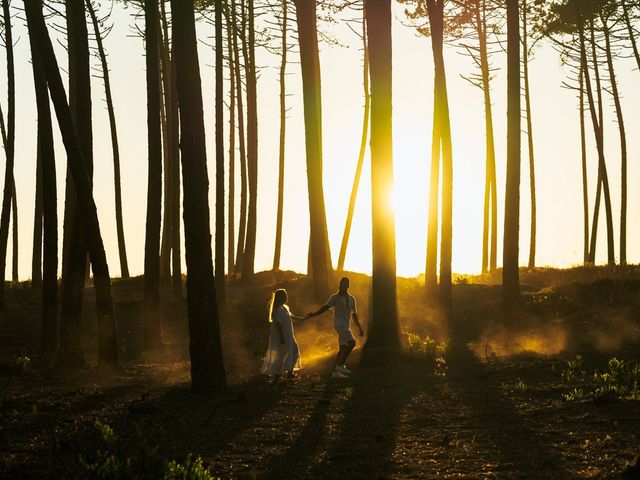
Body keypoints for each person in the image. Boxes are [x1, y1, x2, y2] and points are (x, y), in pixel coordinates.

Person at [306, 277, 364, 378]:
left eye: (345, 284)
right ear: (339, 284)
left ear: (348, 286)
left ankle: (335, 373)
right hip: (339, 325)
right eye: (341, 283)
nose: (342, 286)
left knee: (342, 348)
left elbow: (354, 314)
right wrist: (314, 314)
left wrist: (359, 328)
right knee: (352, 343)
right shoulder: (335, 297)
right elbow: (325, 307)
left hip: (346, 326)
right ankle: (340, 365)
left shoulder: (351, 299)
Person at [260, 289, 305, 377]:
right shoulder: (277, 310)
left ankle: (288, 372)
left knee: (294, 351)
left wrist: (304, 318)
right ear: (280, 297)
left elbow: (293, 317)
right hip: (283, 336)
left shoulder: (285, 308)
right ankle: (279, 373)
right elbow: (278, 325)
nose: (286, 297)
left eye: (286, 295)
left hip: (289, 335)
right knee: (282, 354)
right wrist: (281, 337)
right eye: (284, 296)